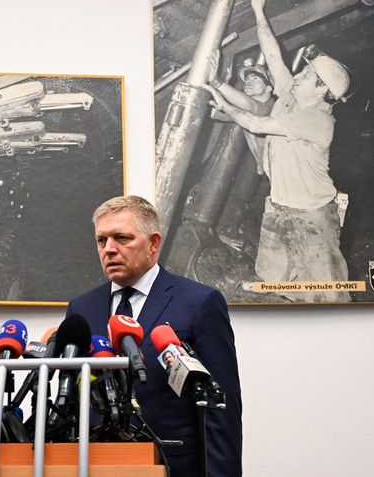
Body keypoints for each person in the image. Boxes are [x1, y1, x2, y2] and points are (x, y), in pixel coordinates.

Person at [66, 195, 242, 476]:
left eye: (122, 238)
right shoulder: (81, 308)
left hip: (173, 466)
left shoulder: (199, 303)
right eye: (102, 240)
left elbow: (221, 404)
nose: (109, 249)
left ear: (154, 243)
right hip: (96, 465)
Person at [202, 0, 351, 302]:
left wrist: (222, 100)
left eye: (308, 75)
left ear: (323, 90)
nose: (297, 75)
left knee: (326, 296)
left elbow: (256, 123)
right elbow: (272, 54)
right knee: (274, 282)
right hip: (279, 208)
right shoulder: (290, 96)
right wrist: (259, 10)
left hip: (312, 217)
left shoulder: (317, 119)